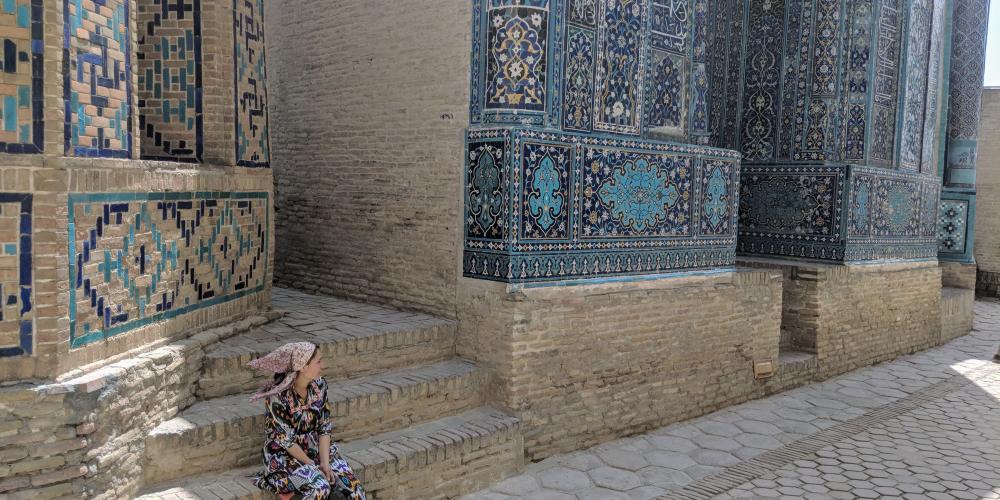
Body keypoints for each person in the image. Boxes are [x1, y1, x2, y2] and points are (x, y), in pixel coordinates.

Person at [246, 342, 366, 500]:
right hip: (285, 457)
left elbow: (324, 428)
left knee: (356, 491)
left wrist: (325, 464)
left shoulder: (320, 385)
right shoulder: (277, 396)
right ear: (303, 367)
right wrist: (312, 465)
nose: (323, 366)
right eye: (318, 361)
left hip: (317, 450)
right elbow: (286, 441)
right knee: (320, 488)